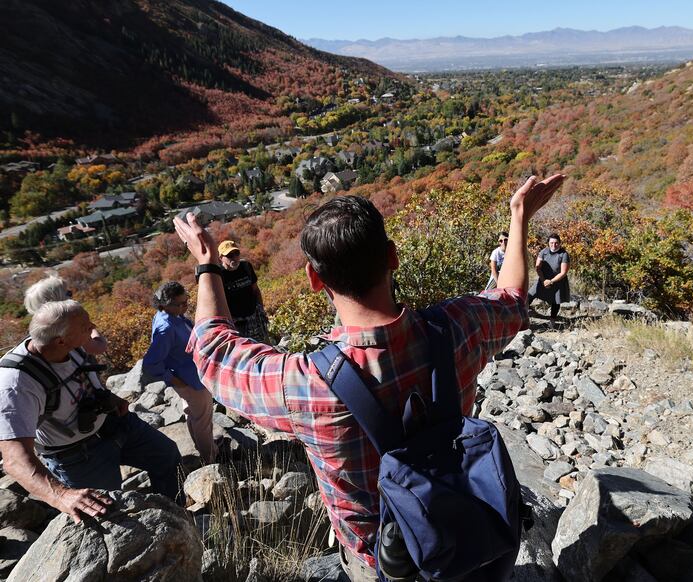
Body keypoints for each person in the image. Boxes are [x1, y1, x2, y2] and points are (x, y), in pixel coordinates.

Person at [174, 173, 564, 581]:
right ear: (393, 256)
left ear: (313, 279)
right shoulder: (458, 328)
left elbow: (214, 351)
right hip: (465, 531)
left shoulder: (306, 385)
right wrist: (519, 216)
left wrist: (207, 264)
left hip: (382, 561)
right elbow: (512, 298)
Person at [0, 300, 182, 524]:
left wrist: (109, 397)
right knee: (107, 516)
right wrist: (61, 495)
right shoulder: (17, 384)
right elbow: (14, 459)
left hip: (114, 424)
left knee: (166, 456)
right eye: (86, 326)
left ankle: (176, 521)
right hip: (77, 456)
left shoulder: (70, 345)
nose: (93, 327)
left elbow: (81, 373)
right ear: (61, 340)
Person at [142, 282, 217, 464]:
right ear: (164, 304)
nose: (185, 306)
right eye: (180, 304)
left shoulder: (171, 316)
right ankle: (210, 458)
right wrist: (173, 380)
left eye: (186, 301)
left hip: (189, 375)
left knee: (193, 414)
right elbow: (150, 364)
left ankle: (204, 448)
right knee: (203, 420)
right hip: (190, 380)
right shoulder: (165, 328)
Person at [24, 275, 108, 355]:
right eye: (68, 293)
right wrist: (89, 327)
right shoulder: (70, 327)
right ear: (59, 299)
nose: (71, 294)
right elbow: (99, 347)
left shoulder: (40, 329)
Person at [217, 240, 270, 342]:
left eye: (236, 253)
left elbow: (255, 289)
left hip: (255, 315)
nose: (234, 258)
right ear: (221, 258)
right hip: (237, 322)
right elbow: (220, 302)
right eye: (229, 255)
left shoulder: (246, 266)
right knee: (247, 350)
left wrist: (261, 308)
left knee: (264, 344)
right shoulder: (219, 275)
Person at [530, 233, 570, 328]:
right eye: (551, 243)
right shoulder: (544, 252)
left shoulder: (564, 254)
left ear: (560, 243)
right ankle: (522, 316)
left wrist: (551, 281)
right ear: (548, 243)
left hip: (558, 280)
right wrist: (544, 280)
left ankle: (552, 322)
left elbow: (563, 272)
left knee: (556, 301)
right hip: (543, 279)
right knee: (529, 295)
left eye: (556, 243)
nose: (554, 245)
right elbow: (538, 267)